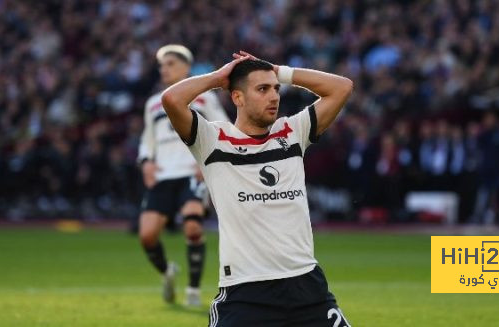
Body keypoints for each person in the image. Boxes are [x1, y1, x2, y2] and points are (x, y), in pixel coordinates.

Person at [161, 51, 353, 326]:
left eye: (276, 89)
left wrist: (278, 71)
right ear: (237, 97)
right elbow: (171, 99)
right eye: (262, 89)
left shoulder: (292, 132)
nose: (274, 96)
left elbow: (342, 87)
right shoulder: (212, 140)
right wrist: (218, 78)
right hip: (246, 293)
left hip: (307, 287)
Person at [137, 44, 229, 306]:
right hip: (164, 175)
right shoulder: (153, 103)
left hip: (192, 172)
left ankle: (193, 290)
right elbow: (148, 140)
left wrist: (207, 162)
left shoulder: (204, 98)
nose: (164, 69)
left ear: (186, 68)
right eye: (162, 65)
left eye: (170, 64)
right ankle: (168, 273)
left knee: (192, 226)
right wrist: (146, 163)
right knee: (147, 236)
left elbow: (223, 129)